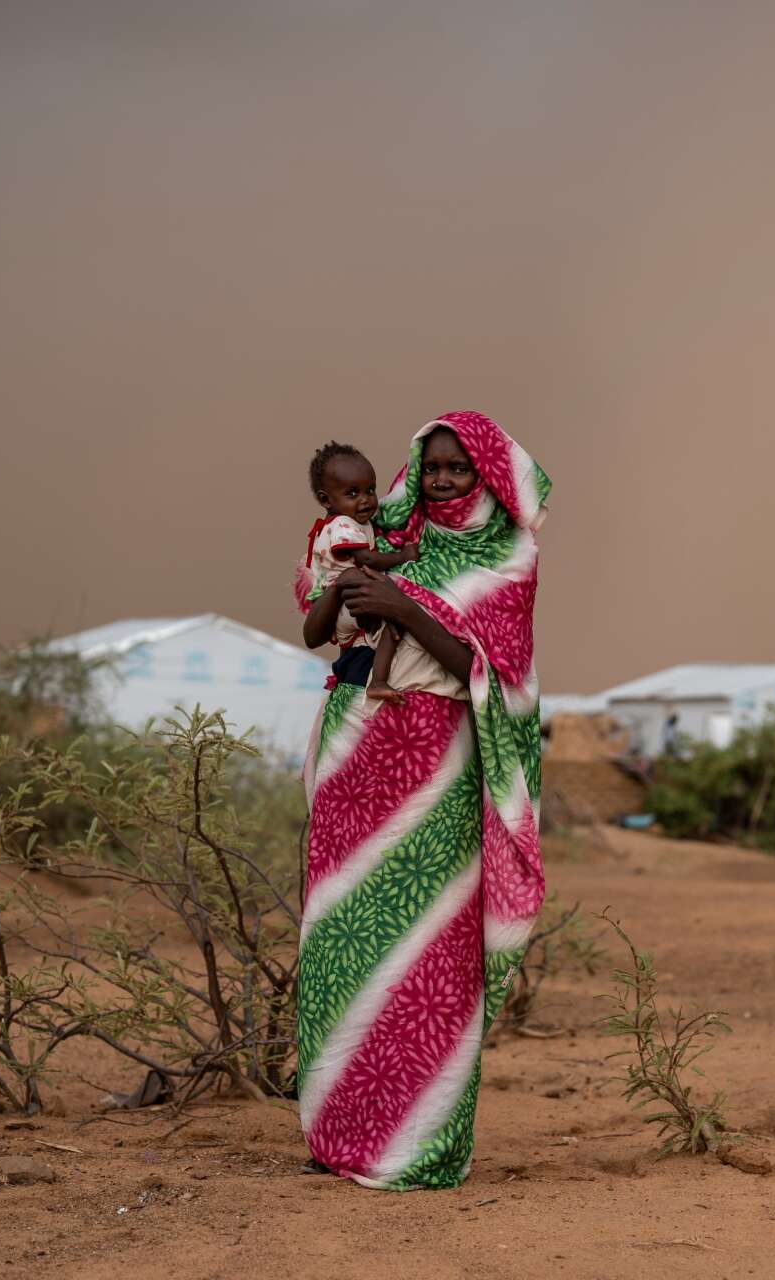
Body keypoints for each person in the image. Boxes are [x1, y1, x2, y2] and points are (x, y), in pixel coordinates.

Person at [296, 411, 550, 1190]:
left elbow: (497, 674)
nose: (440, 480)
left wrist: (405, 608)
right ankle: (336, 1131)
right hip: (357, 756)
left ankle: (417, 1145)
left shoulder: (506, 559)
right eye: (431, 466)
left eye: (457, 469)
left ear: (489, 479)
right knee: (340, 942)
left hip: (439, 765)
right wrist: (360, 595)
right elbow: (326, 616)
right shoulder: (391, 537)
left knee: (427, 952)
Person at [298, 442, 417, 704]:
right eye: (352, 493)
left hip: (349, 601)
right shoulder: (343, 525)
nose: (365, 499)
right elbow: (367, 559)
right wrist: (403, 556)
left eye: (370, 490)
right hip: (346, 603)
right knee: (395, 623)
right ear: (325, 500)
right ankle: (378, 681)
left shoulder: (350, 522)